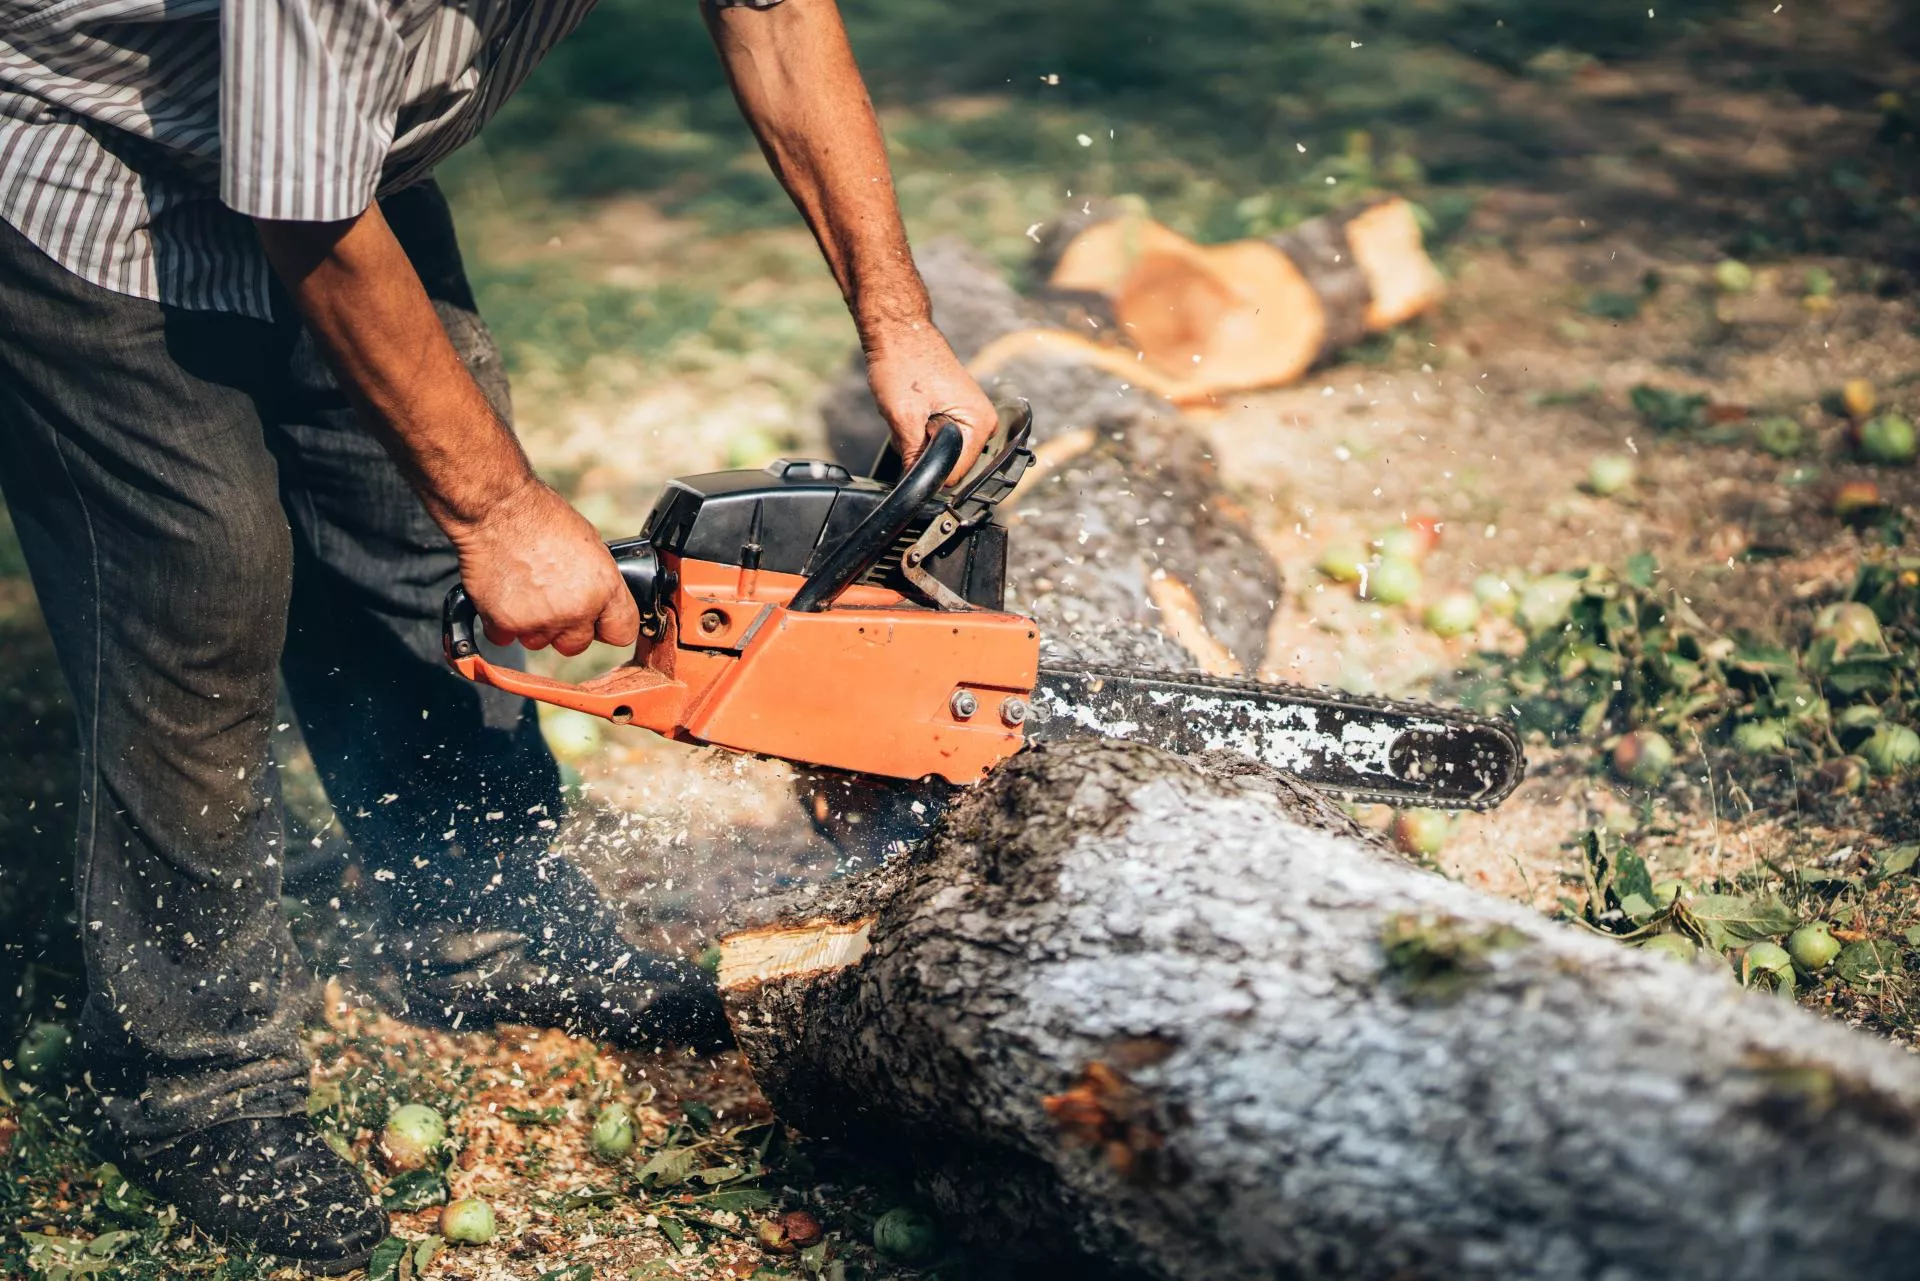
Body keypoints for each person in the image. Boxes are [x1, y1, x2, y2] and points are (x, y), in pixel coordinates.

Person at [0, 0, 996, 1271]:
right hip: (86, 156)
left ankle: (488, 929)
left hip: (331, 155)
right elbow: (299, 203)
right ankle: (193, 1074)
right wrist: (502, 507)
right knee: (201, 580)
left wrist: (898, 324)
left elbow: (777, 16)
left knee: (403, 530)